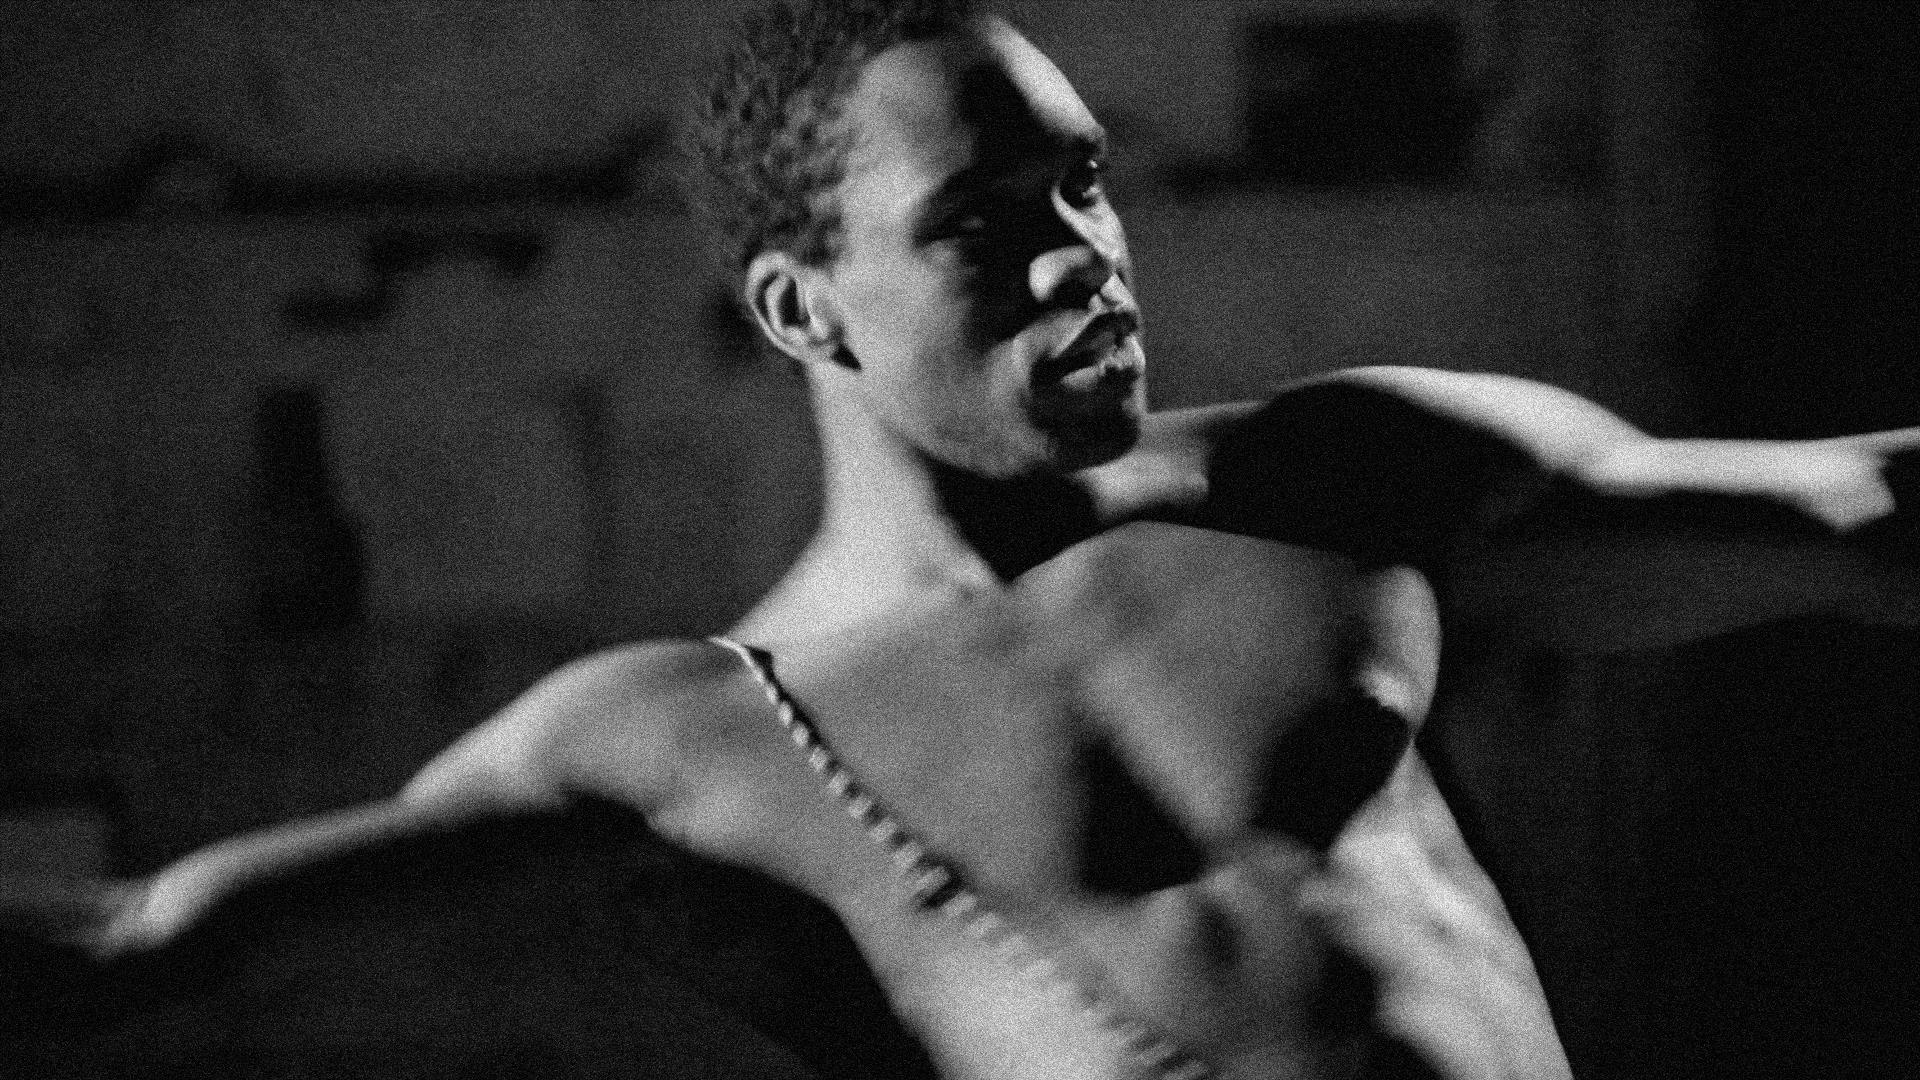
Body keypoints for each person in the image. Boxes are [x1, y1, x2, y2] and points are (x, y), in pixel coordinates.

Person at [51, 1, 1920, 1078]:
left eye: (1084, 183)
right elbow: (153, 945)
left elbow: (1866, 509)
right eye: (983, 220)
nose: (1078, 255)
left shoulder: (1338, 483)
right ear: (805, 310)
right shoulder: (685, 747)